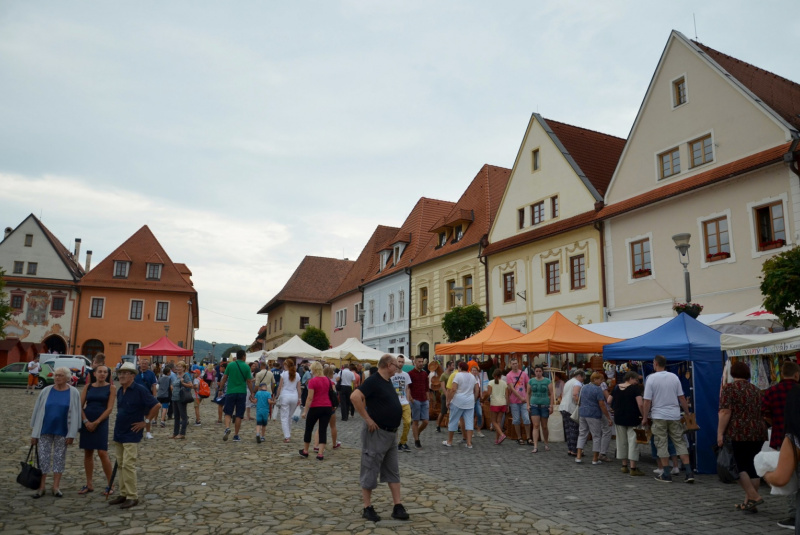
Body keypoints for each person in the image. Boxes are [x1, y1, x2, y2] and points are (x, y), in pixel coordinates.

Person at [350, 354, 409, 522]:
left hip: (391, 433)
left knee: (393, 470)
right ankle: (367, 507)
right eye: (396, 365)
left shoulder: (387, 380)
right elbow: (354, 397)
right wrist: (368, 419)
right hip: (377, 433)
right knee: (370, 468)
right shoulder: (373, 380)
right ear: (388, 365)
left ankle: (398, 506)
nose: (398, 367)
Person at [108, 362, 160, 509]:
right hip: (119, 431)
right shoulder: (120, 390)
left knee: (129, 464)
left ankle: (132, 496)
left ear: (132, 376)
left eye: (125, 373)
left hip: (132, 432)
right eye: (120, 373)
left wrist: (146, 422)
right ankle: (123, 493)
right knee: (120, 464)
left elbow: (156, 405)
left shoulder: (140, 390)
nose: (122, 376)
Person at [717, 361, 768, 512]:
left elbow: (725, 412)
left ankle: (753, 496)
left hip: (738, 431)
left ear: (732, 373)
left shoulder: (729, 389)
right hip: (758, 431)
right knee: (752, 467)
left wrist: (720, 433)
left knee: (737, 466)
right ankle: (749, 502)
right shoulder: (756, 390)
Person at [641, 355, 695, 483]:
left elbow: (647, 401)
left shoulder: (651, 379)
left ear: (655, 363)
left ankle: (666, 473)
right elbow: (681, 398)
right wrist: (687, 413)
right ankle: (688, 472)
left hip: (659, 415)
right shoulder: (674, 377)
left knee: (661, 443)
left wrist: (644, 417)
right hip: (674, 415)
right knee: (679, 442)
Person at [30, 366, 82, 498]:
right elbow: (37, 411)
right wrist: (34, 433)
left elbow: (76, 413)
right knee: (43, 458)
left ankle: (55, 487)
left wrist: (72, 434)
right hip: (44, 430)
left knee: (59, 458)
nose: (57, 377)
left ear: (67, 378)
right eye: (56, 375)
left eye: (60, 375)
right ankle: (41, 487)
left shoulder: (73, 392)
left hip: (63, 430)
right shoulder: (46, 391)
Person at [763, 360, 800, 530]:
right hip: (790, 436)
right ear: (797, 374)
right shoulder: (796, 391)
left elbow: (765, 415)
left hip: (783, 437)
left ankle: (793, 514)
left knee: (790, 479)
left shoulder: (771, 392)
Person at [79, 364, 116, 495]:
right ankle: (89, 484)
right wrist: (85, 421)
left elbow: (110, 408)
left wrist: (97, 422)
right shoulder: (88, 387)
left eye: (105, 372)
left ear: (108, 374)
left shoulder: (111, 388)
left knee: (102, 452)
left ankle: (110, 484)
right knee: (88, 453)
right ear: (94, 374)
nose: (102, 374)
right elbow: (80, 405)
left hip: (101, 421)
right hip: (87, 420)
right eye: (100, 371)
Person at [609, 371, 644, 476]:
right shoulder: (635, 389)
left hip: (619, 418)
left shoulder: (616, 388)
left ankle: (624, 466)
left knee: (621, 442)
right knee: (633, 442)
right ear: (630, 378)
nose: (637, 382)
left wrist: (615, 408)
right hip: (633, 418)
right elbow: (640, 404)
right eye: (636, 380)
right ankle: (633, 467)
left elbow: (609, 400)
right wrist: (644, 416)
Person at [576, 372, 613, 465]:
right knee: (596, 436)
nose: (602, 382)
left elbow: (579, 400)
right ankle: (595, 458)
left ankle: (578, 456)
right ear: (595, 379)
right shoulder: (598, 389)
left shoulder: (583, 387)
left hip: (583, 413)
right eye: (600, 379)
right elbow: (602, 404)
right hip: (593, 414)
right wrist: (608, 417)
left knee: (582, 434)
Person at [219, 350, 255, 442]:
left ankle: (227, 428)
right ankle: (236, 435)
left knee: (228, 412)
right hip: (242, 392)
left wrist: (220, 389)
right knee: (239, 415)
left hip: (230, 391)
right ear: (243, 356)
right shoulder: (246, 367)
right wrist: (252, 392)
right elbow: (249, 381)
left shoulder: (230, 365)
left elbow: (224, 377)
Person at [300, 362, 333, 460]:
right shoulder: (328, 380)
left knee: (309, 428)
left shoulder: (313, 381)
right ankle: (320, 453)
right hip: (327, 407)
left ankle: (305, 451)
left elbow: (309, 398)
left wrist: (305, 411)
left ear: (313, 370)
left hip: (315, 407)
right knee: (323, 430)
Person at [443, 362, 478, 448]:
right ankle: (469, 443)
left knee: (453, 420)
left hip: (458, 401)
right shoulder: (472, 376)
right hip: (469, 401)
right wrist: (474, 399)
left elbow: (453, 389)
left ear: (460, 368)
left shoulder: (458, 375)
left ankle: (449, 441)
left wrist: (448, 401)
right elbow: (477, 389)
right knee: (469, 422)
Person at [528, 365, 554, 453]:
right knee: (535, 426)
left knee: (544, 426)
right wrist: (528, 405)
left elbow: (551, 393)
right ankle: (535, 446)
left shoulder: (547, 381)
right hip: (534, 405)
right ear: (534, 372)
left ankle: (546, 443)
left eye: (540, 371)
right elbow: (528, 393)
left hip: (544, 405)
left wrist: (551, 405)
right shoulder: (531, 381)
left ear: (542, 372)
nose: (538, 373)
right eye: (536, 371)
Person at [315, 366, 342, 451]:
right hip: (329, 406)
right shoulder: (332, 383)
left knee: (320, 427)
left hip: (319, 405)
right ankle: (334, 444)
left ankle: (316, 445)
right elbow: (334, 395)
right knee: (333, 426)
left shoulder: (318, 382)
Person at [559, 370, 585, 456]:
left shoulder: (568, 382)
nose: (583, 380)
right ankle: (574, 450)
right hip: (571, 408)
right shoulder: (577, 383)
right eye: (583, 378)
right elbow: (575, 395)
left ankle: (570, 448)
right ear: (580, 376)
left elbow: (563, 394)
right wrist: (580, 404)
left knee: (568, 429)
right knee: (574, 429)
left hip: (563, 407)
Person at [506, 357, 531, 445]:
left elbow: (528, 385)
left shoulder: (523, 374)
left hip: (524, 400)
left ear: (518, 364)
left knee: (526, 419)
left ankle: (528, 437)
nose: (515, 365)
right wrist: (520, 397)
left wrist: (527, 396)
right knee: (516, 420)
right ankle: (519, 437)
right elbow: (512, 388)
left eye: (516, 363)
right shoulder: (509, 375)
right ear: (510, 365)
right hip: (514, 401)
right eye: (513, 364)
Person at [276, 359, 302, 442]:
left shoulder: (283, 374)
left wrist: (277, 396)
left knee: (284, 417)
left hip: (285, 396)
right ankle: (288, 433)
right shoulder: (297, 375)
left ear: (286, 365)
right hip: (294, 396)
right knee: (290, 417)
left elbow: (280, 386)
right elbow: (299, 388)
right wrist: (299, 398)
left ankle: (287, 436)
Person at [391, 355, 413, 452]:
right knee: (394, 424)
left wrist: (408, 400)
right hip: (394, 403)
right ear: (396, 362)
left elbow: (408, 388)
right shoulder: (391, 375)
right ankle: (394, 443)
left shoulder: (406, 375)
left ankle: (403, 442)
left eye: (402, 362)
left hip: (404, 402)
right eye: (399, 361)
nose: (400, 363)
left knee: (408, 422)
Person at [408, 356, 430, 448]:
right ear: (415, 362)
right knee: (415, 421)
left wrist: (428, 398)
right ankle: (417, 440)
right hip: (415, 400)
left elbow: (427, 388)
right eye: (419, 362)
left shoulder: (425, 374)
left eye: (422, 361)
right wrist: (411, 398)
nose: (421, 363)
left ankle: (417, 433)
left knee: (425, 421)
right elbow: (408, 387)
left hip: (424, 399)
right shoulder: (410, 374)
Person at [134, 359, 158, 440]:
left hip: (147, 397)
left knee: (147, 415)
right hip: (136, 396)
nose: (143, 365)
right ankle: (136, 431)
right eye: (142, 363)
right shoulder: (136, 373)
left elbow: (154, 385)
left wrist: (154, 396)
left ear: (148, 365)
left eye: (145, 364)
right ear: (140, 364)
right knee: (135, 415)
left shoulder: (151, 374)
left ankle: (148, 432)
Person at [169, 362, 193, 439]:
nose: (178, 368)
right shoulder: (176, 376)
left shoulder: (185, 376)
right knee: (176, 416)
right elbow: (174, 385)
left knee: (183, 416)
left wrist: (183, 383)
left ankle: (182, 433)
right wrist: (172, 387)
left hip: (181, 398)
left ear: (183, 368)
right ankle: (175, 433)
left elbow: (190, 385)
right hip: (174, 397)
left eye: (180, 367)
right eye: (177, 367)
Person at [487, 369, 508, 444]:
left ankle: (502, 435)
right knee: (499, 422)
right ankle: (497, 439)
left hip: (494, 403)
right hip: (503, 403)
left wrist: (483, 398)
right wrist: (507, 405)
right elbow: (506, 395)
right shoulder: (504, 383)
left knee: (493, 421)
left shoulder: (491, 383)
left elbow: (488, 393)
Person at [436, 360, 455, 432]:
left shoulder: (453, 375)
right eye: (452, 365)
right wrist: (447, 396)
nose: (453, 367)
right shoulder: (443, 375)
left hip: (452, 396)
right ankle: (438, 425)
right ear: (448, 366)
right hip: (445, 396)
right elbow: (443, 387)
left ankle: (454, 426)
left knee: (453, 411)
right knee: (443, 411)